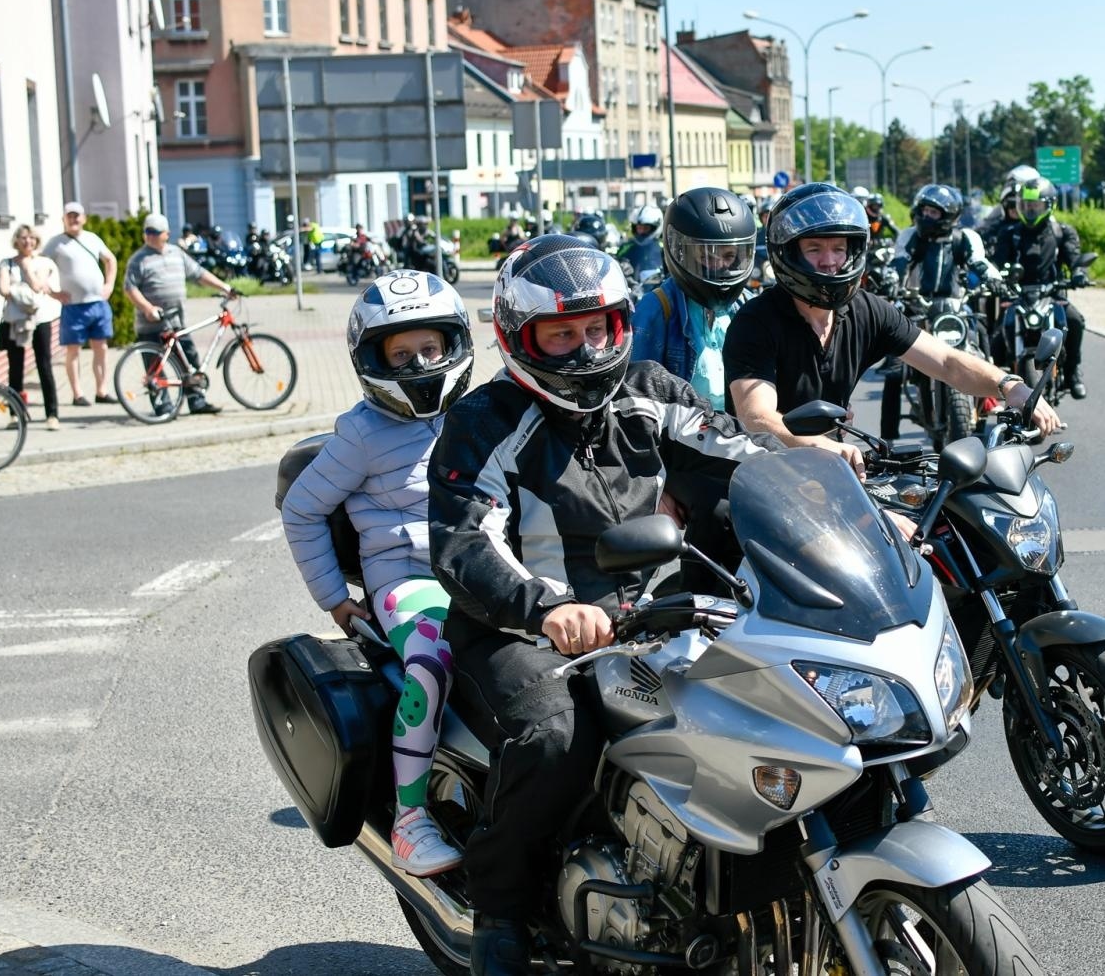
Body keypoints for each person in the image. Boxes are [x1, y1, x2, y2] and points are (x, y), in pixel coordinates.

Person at [428, 234, 779, 975]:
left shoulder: (653, 390)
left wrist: (833, 485)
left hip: (656, 615)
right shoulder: (485, 421)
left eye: (598, 329)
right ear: (518, 337)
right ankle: (500, 909)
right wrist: (544, 608)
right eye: (560, 333)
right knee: (558, 740)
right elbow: (466, 544)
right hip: (522, 630)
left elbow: (741, 461)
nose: (584, 349)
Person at [282, 270, 475, 878]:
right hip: (407, 578)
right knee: (433, 660)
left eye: (429, 349)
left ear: (454, 346)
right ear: (373, 360)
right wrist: (335, 600)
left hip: (481, 567)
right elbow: (302, 508)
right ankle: (411, 820)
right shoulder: (361, 434)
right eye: (401, 353)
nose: (418, 363)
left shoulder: (477, 413)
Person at [724, 182, 1060, 474]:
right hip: (763, 470)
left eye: (839, 248)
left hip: (832, 466)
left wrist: (1009, 385)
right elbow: (757, 417)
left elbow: (945, 362)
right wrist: (822, 446)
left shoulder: (866, 311)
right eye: (814, 249)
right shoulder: (756, 322)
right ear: (789, 252)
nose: (830, 261)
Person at [632, 187, 757, 410]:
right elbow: (637, 397)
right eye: (708, 255)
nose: (720, 265)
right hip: (684, 439)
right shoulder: (657, 309)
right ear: (681, 251)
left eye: (729, 256)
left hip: (740, 436)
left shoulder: (746, 305)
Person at [122, 213, 235, 416]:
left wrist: (225, 287)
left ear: (166, 234)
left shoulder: (176, 253)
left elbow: (199, 274)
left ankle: (196, 400)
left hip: (176, 322)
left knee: (189, 360)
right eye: (147, 232)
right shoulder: (139, 259)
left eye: (155, 232)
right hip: (151, 323)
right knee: (154, 368)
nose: (150, 236)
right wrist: (147, 308)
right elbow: (130, 288)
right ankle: (163, 406)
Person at [991, 177, 1090, 399]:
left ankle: (1073, 371)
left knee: (1075, 321)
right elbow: (996, 263)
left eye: (1036, 206)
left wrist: (1079, 273)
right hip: (1018, 295)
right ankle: (988, 391)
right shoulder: (1009, 233)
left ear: (1049, 205)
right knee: (996, 336)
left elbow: (1074, 259)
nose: (1031, 210)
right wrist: (995, 279)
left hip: (1052, 294)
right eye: (1026, 205)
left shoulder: (1062, 232)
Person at [40, 202, 118, 407]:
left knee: (100, 347)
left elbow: (110, 260)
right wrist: (53, 293)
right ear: (64, 219)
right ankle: (77, 393)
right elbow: (40, 268)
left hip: (97, 303)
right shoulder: (56, 243)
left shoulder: (92, 239)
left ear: (83, 218)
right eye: (69, 216)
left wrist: (109, 284)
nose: (73, 220)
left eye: (77, 216)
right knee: (73, 350)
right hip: (73, 306)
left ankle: (102, 390)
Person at [0, 224, 61, 431]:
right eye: (23, 238)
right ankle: (15, 414)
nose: (27, 242)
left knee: (44, 364)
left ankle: (52, 414)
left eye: (31, 238)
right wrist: (20, 290)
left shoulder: (44, 262)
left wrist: (25, 269)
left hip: (40, 319)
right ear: (16, 241)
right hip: (16, 322)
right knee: (16, 367)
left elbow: (38, 287)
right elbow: (3, 289)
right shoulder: (6, 263)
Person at [616, 203, 664, 291]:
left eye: (645, 228)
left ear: (656, 227)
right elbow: (616, 262)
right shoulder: (626, 246)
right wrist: (621, 265)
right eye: (639, 228)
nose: (641, 232)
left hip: (658, 291)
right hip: (632, 292)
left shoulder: (663, 248)